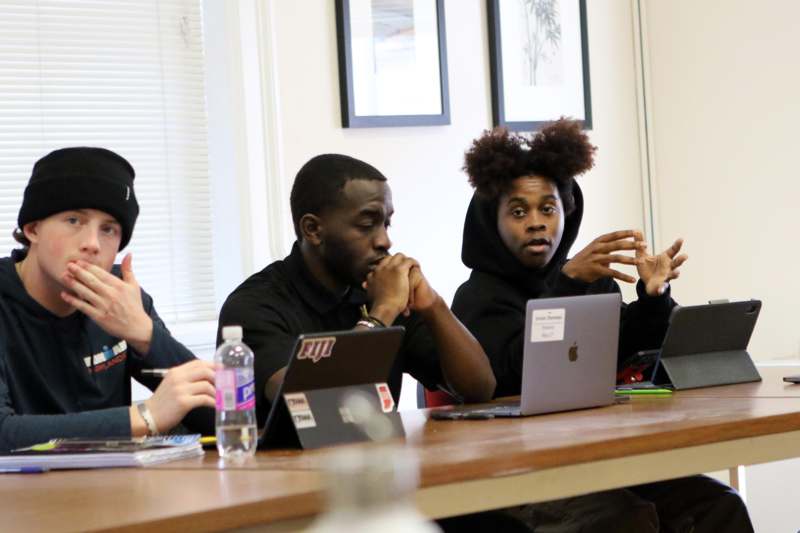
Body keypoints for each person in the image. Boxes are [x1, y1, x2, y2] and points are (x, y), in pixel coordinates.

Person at [451, 119, 753, 532]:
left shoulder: (589, 277)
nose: (537, 222)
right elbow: (514, 374)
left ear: (566, 213)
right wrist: (568, 283)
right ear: (492, 220)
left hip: (601, 457)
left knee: (720, 505)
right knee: (627, 520)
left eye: (548, 208)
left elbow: (625, 349)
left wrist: (652, 296)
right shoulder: (478, 299)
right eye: (518, 211)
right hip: (518, 474)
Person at [218, 153, 495, 428]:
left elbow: (479, 389)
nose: (385, 240)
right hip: (285, 468)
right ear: (313, 229)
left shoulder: (379, 289)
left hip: (375, 463)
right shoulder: (253, 306)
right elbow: (316, 409)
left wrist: (434, 305)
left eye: (386, 223)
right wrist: (380, 314)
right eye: (367, 224)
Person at [0, 147, 215, 452]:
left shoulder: (123, 299)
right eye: (74, 220)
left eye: (109, 229)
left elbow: (224, 417)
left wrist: (145, 335)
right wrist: (145, 417)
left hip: (112, 492)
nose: (91, 244)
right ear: (32, 228)